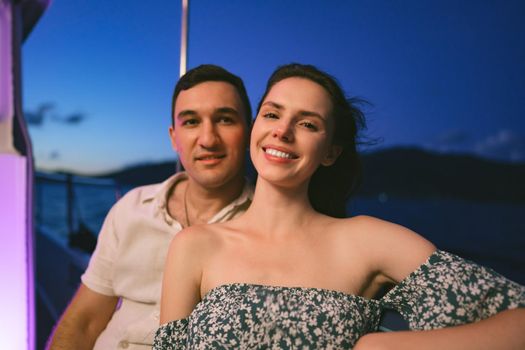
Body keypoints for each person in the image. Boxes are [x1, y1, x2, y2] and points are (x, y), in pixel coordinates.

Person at [154, 63, 525, 349]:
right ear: (255, 128)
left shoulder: (366, 240)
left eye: (308, 124)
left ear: (330, 152)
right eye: (271, 114)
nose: (282, 131)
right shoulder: (194, 245)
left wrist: (384, 346)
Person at [46, 64, 254, 349]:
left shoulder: (268, 224)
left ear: (250, 131)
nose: (208, 139)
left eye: (225, 119)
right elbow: (84, 321)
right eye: (191, 122)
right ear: (173, 137)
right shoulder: (131, 208)